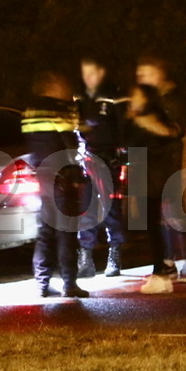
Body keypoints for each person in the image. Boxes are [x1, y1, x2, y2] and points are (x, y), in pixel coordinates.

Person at [22, 70, 89, 299]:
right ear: (52, 85)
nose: (67, 89)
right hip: (62, 176)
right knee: (67, 231)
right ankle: (69, 284)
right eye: (63, 83)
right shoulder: (59, 109)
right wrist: (77, 175)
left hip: (41, 174)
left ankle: (42, 283)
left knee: (45, 231)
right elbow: (71, 145)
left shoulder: (29, 111)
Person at [135, 54, 186, 284]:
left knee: (173, 215)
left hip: (168, 165)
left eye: (147, 74)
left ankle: (184, 262)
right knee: (161, 217)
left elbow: (177, 131)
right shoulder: (152, 99)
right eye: (140, 75)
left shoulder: (172, 99)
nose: (143, 79)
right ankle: (168, 262)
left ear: (159, 74)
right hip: (153, 165)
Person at [124, 83, 183, 294]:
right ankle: (162, 270)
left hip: (150, 178)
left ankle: (160, 274)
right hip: (151, 177)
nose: (132, 100)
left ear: (147, 99)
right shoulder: (151, 119)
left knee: (153, 227)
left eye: (136, 97)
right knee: (153, 226)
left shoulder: (146, 120)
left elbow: (130, 143)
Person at [76, 57, 127, 278]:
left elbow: (123, 128)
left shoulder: (113, 95)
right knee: (86, 207)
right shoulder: (79, 97)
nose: (88, 77)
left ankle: (114, 254)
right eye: (84, 73)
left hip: (109, 159)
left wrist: (125, 159)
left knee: (110, 208)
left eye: (92, 72)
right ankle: (85, 258)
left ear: (101, 72)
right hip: (86, 157)